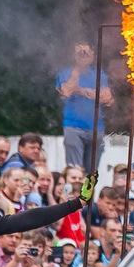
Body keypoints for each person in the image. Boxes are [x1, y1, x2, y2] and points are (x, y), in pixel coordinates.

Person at [56, 44, 111, 172]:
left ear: (93, 55)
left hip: (97, 128)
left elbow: (107, 98)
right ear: (74, 56)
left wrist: (80, 90)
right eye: (80, 53)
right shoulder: (66, 74)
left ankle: (88, 193)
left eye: (87, 53)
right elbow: (66, 92)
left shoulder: (99, 74)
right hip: (73, 127)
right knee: (75, 170)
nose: (84, 56)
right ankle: (75, 192)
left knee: (91, 174)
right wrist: (76, 75)